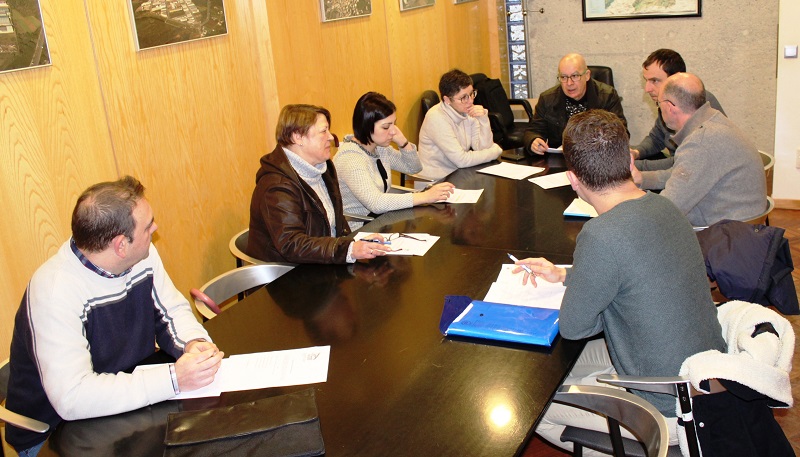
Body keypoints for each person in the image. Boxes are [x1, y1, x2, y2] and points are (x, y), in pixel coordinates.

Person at [512, 110, 725, 455]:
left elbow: (575, 327)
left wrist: (590, 290)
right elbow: (636, 270)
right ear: (628, 161)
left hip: (667, 404)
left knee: (532, 405)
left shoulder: (601, 235)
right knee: (563, 369)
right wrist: (567, 274)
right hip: (703, 376)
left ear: (573, 179)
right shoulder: (664, 207)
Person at [5, 176, 224, 457]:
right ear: (121, 245)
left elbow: (171, 310)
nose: (155, 229)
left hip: (128, 406)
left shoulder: (141, 254)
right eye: (148, 226)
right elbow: (73, 398)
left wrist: (193, 344)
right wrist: (173, 378)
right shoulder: (55, 291)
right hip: (57, 434)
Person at [246, 104, 392, 263]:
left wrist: (355, 242)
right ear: (298, 137)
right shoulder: (276, 185)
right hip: (287, 273)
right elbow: (292, 244)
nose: (331, 137)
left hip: (321, 262)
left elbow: (336, 223)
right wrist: (348, 249)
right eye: (324, 131)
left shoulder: (324, 168)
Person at [631, 73, 767, 227]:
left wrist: (626, 198)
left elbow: (667, 210)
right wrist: (642, 179)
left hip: (724, 238)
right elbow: (684, 173)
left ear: (669, 107)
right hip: (742, 225)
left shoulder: (700, 142)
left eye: (659, 104)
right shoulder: (714, 122)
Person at [333, 92, 455, 230]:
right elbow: (376, 203)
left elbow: (414, 168)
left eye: (394, 124)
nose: (393, 131)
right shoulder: (350, 158)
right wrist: (425, 196)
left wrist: (403, 142)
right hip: (360, 229)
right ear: (366, 126)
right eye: (386, 127)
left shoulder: (379, 148)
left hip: (381, 221)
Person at [632, 49, 726, 168]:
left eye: (655, 81)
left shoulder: (697, 103)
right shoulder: (666, 100)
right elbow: (657, 138)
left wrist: (634, 167)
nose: (647, 89)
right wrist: (636, 153)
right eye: (646, 81)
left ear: (676, 79)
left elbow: (685, 162)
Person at [524, 53, 627, 155]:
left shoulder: (607, 96)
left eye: (575, 76)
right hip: (561, 160)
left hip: (597, 157)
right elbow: (533, 131)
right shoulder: (547, 99)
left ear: (587, 76)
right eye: (563, 77)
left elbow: (621, 132)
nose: (569, 83)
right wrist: (533, 140)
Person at [418, 69, 503, 179]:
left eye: (472, 94)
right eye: (463, 97)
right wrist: (495, 151)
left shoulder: (466, 111)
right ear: (447, 100)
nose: (470, 101)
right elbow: (461, 160)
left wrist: (483, 120)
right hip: (436, 182)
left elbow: (483, 147)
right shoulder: (436, 118)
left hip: (459, 175)